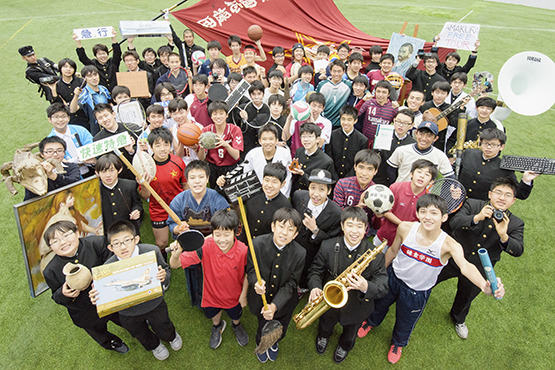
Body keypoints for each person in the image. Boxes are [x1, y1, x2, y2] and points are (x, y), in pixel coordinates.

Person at [357, 194, 505, 364]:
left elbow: (465, 266)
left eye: (434, 213)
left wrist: (483, 285)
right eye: (423, 211)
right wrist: (379, 274)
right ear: (418, 214)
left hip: (417, 292)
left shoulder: (449, 245)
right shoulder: (405, 228)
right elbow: (392, 251)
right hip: (393, 278)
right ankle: (370, 322)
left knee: (406, 320)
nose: (428, 216)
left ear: (444, 217)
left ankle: (397, 343)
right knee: (378, 305)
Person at [435, 177, 522, 339]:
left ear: (513, 201)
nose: (502, 198)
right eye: (498, 193)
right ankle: (416, 298)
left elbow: (518, 250)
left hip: (479, 268)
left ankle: (458, 318)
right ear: (490, 194)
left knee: (466, 296)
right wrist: (477, 218)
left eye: (507, 195)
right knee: (431, 279)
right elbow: (454, 223)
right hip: (452, 258)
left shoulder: (516, 223)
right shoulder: (473, 204)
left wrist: (504, 235)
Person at [90, 221, 182, 360]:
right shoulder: (107, 268)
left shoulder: (152, 251)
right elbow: (105, 293)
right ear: (110, 247)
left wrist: (163, 277)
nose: (123, 247)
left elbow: (166, 270)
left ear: (136, 239)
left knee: (162, 323)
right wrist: (97, 296)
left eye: (127, 240)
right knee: (139, 332)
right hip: (128, 312)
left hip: (154, 303)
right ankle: (154, 346)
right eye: (117, 243)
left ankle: (171, 336)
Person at [308, 206, 388, 363]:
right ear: (342, 226)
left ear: (366, 229)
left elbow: (383, 286)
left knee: (350, 332)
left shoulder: (374, 255)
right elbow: (315, 271)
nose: (354, 231)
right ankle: (323, 336)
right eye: (350, 225)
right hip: (328, 302)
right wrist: (315, 287)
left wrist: (365, 286)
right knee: (325, 323)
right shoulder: (327, 246)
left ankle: (344, 346)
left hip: (357, 306)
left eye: (360, 226)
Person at [42, 220, 129, 353]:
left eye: (66, 235)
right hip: (85, 312)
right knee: (98, 331)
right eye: (55, 241)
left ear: (77, 233)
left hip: (110, 298)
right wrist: (63, 294)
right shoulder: (50, 271)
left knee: (123, 318)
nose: (63, 242)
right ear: (51, 247)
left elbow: (114, 263)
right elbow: (56, 296)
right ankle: (111, 342)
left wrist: (100, 278)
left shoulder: (97, 243)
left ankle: (134, 326)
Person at [169, 210, 249, 349]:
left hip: (234, 297)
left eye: (226, 234)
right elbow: (174, 265)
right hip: (211, 296)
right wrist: (176, 255)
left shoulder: (243, 250)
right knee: (214, 315)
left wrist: (243, 295)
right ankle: (217, 326)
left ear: (235, 232)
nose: (222, 240)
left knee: (235, 315)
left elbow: (248, 274)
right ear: (212, 233)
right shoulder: (204, 246)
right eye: (217, 234)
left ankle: (236, 325)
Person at [246, 208, 306, 363]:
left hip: (284, 302)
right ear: (273, 226)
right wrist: (255, 283)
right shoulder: (256, 244)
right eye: (281, 226)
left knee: (280, 325)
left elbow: (292, 283)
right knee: (262, 324)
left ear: (296, 234)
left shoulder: (300, 253)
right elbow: (251, 270)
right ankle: (262, 343)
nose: (284, 233)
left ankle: (274, 343)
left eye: (290, 229)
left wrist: (275, 305)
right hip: (260, 299)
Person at [168, 160, 230, 308]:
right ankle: (198, 299)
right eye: (193, 178)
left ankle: (217, 298)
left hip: (214, 245)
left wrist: (208, 241)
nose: (197, 181)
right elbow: (171, 224)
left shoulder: (217, 199)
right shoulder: (179, 200)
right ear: (187, 180)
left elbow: (226, 225)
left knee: (216, 274)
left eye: (201, 177)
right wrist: (178, 229)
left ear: (207, 179)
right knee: (194, 274)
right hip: (190, 247)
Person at [139, 127, 187, 256]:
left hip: (178, 208)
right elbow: (144, 196)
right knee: (162, 243)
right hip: (158, 210)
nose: (162, 148)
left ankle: (184, 260)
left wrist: (188, 203)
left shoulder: (177, 162)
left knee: (184, 239)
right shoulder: (145, 167)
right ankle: (163, 266)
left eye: (166, 144)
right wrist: (144, 185)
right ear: (151, 147)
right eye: (158, 145)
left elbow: (185, 183)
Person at [292, 169, 342, 289]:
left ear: (329, 191)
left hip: (313, 252)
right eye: (313, 187)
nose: (316, 194)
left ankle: (302, 286)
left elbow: (332, 241)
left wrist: (315, 230)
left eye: (321, 189)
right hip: (294, 245)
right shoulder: (298, 196)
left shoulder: (336, 213)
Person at [458, 128, 536, 201]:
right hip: (458, 200)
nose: (488, 147)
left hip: (481, 207)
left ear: (502, 147)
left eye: (493, 144)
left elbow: (520, 194)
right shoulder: (469, 153)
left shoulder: (504, 167)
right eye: (485, 143)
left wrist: (526, 180)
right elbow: (455, 171)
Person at [374, 159, 437, 249]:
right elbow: (386, 211)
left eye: (427, 174)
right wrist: (403, 224)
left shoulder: (429, 199)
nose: (422, 176)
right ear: (411, 174)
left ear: (431, 181)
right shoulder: (396, 187)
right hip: (384, 237)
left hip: (407, 243)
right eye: (419, 172)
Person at [333, 149, 382, 236]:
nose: (364, 173)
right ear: (355, 167)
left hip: (362, 234)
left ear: (376, 171)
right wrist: (358, 208)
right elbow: (336, 214)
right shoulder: (342, 184)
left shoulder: (377, 192)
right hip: (341, 231)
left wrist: (378, 216)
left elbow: (376, 226)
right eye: (361, 167)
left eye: (369, 169)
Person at [387, 121, 454, 183]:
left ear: (435, 138)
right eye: (421, 134)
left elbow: (450, 178)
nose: (424, 138)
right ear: (416, 133)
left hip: (425, 194)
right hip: (401, 191)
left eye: (429, 136)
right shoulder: (402, 150)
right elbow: (391, 171)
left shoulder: (440, 156)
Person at [239, 163, 292, 238]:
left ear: (283, 184)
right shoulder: (253, 192)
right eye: (267, 180)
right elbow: (231, 198)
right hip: (244, 239)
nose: (269, 185)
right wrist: (221, 185)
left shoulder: (285, 206)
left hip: (264, 246)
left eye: (274, 182)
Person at [198, 101, 243, 189]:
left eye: (221, 113)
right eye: (215, 114)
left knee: (231, 196)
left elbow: (236, 156)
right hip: (213, 167)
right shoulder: (206, 131)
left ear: (227, 115)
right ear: (211, 116)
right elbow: (201, 158)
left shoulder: (235, 130)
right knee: (214, 195)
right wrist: (202, 148)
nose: (218, 116)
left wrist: (226, 145)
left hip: (230, 167)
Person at [95, 154, 143, 235]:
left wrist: (136, 211)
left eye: (111, 170)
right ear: (97, 173)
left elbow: (137, 203)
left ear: (119, 170)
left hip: (129, 230)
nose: (108, 175)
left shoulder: (129, 185)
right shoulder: (95, 191)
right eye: (103, 171)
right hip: (108, 233)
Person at [92, 103, 141, 180]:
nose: (105, 119)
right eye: (100, 118)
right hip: (119, 178)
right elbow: (103, 162)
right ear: (98, 121)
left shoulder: (132, 128)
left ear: (113, 114)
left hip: (138, 171)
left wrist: (131, 151)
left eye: (106, 115)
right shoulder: (98, 139)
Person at [46, 102, 96, 178]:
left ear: (68, 118)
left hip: (92, 170)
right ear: (50, 120)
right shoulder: (49, 142)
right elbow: (57, 163)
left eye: (63, 116)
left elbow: (92, 149)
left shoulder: (80, 130)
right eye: (56, 117)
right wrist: (78, 160)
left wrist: (72, 161)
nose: (60, 120)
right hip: (70, 177)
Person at [23, 136, 81, 201]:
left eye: (59, 151)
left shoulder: (72, 167)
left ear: (64, 153)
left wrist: (53, 176)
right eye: (49, 151)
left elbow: (77, 183)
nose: (55, 154)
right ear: (42, 154)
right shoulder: (35, 172)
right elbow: (29, 200)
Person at [243, 124, 292, 197]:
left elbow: (288, 177)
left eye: (271, 139)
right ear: (260, 141)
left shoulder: (285, 154)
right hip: (258, 196)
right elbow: (247, 177)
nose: (268, 142)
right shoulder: (252, 155)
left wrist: (281, 195)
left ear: (276, 140)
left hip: (280, 195)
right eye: (264, 139)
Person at [373, 109, 415, 186]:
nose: (401, 125)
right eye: (398, 121)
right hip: (379, 178)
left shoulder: (412, 144)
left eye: (405, 123)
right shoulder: (384, 134)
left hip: (398, 182)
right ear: (394, 121)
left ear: (411, 125)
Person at [290, 122, 335, 193]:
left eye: (310, 136)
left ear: (318, 139)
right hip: (295, 193)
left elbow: (323, 186)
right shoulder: (299, 151)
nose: (306, 139)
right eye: (303, 136)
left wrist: (302, 174)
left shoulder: (326, 161)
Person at [325, 105, 368, 179]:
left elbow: (359, 162)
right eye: (343, 119)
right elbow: (329, 156)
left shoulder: (362, 140)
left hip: (351, 178)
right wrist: (334, 175)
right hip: (332, 176)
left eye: (349, 120)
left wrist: (347, 178)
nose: (345, 122)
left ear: (355, 121)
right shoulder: (332, 135)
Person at [420, 80, 462, 152]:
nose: (439, 96)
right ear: (432, 93)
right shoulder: (424, 106)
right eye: (437, 92)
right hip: (422, 138)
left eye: (443, 93)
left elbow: (455, 123)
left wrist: (461, 109)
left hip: (439, 141)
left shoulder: (449, 108)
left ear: (447, 95)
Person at [71, 65, 111, 135]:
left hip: (110, 124)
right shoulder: (84, 93)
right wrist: (76, 95)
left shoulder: (104, 89)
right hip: (96, 130)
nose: (94, 78)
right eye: (89, 76)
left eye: (95, 75)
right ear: (84, 79)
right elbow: (72, 110)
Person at [50, 58, 89, 129]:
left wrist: (67, 104)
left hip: (85, 116)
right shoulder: (56, 85)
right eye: (65, 67)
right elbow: (57, 106)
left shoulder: (81, 82)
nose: (68, 69)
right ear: (60, 69)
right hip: (69, 120)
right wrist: (54, 92)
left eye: (71, 67)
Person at [357, 80, 398, 148]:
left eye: (384, 92)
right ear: (375, 92)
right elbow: (354, 114)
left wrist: (398, 109)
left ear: (388, 94)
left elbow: (398, 123)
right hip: (366, 141)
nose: (380, 95)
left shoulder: (393, 108)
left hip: (382, 144)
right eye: (378, 91)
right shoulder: (368, 103)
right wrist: (362, 101)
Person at [316, 59, 352, 128]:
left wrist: (367, 92)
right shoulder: (322, 84)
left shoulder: (348, 85)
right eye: (334, 71)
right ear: (330, 71)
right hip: (323, 122)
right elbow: (316, 100)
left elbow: (360, 89)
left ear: (344, 72)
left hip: (339, 123)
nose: (336, 74)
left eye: (339, 71)